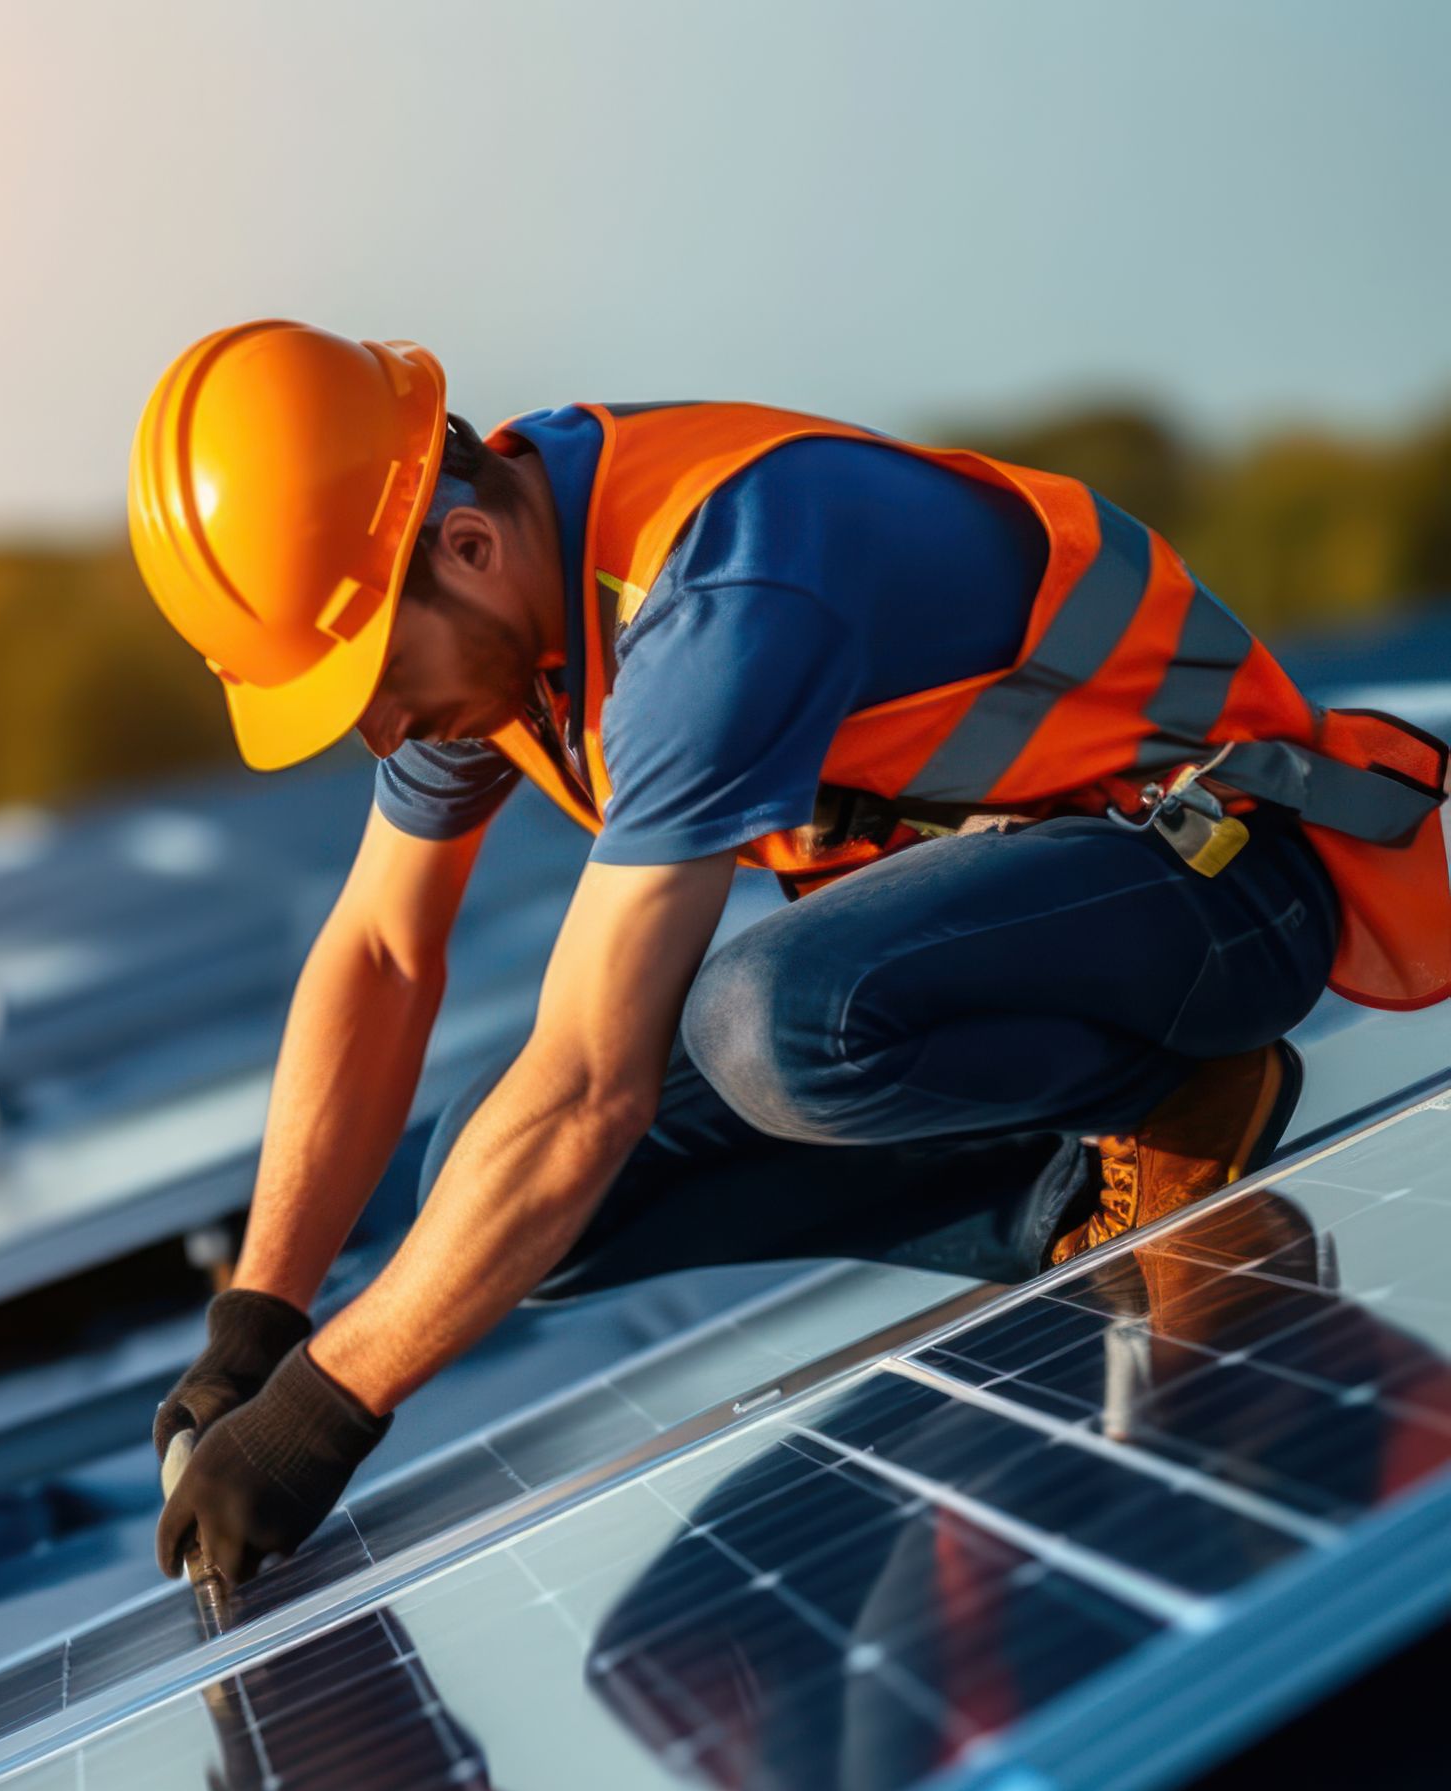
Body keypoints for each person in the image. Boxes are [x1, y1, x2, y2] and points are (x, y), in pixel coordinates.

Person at [127, 321, 1450, 1588]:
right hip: (1051, 927)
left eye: (369, 683)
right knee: (493, 1184)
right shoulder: (504, 590)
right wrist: (260, 1321)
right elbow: (380, 954)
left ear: (464, 546)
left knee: (770, 1029)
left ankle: (1172, 1101)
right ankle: (1066, 1205)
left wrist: (321, 1411)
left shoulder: (716, 584)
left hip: (1222, 884)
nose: (380, 731)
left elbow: (594, 1082)